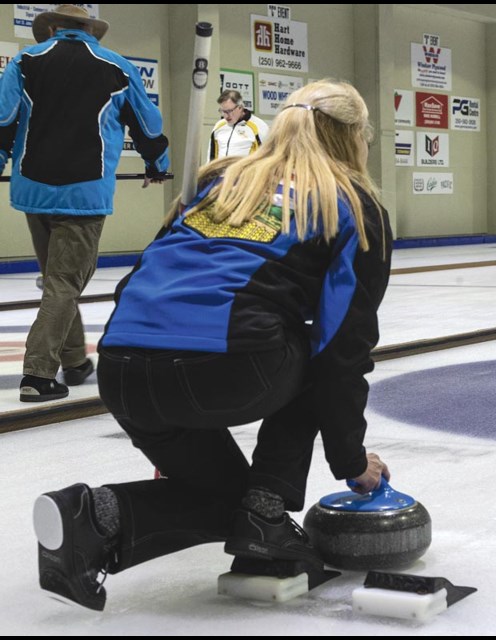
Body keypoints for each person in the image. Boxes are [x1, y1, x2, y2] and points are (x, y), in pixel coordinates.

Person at [31, 80, 393, 611]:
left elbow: (137, 282)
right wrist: (351, 460)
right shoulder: (352, 204)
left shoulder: (215, 183)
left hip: (125, 371)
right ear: (354, 137)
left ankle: (94, 516)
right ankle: (268, 510)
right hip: (230, 368)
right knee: (316, 351)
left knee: (229, 502)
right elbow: (342, 351)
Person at [0, 5, 169, 402]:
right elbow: (148, 123)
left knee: (59, 278)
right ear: (89, 30)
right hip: (85, 192)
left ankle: (75, 361)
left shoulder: (25, 60)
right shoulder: (117, 66)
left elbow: (4, 118)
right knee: (64, 282)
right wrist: (156, 164)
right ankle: (38, 375)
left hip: (33, 191)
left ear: (54, 28)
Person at [209, 89, 269, 161]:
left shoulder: (259, 126)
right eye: (223, 111)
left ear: (240, 107)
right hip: (221, 172)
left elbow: (267, 157)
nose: (226, 116)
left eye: (229, 111)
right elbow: (211, 156)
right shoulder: (219, 126)